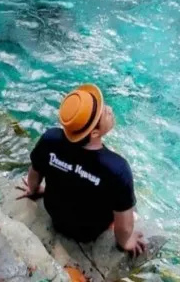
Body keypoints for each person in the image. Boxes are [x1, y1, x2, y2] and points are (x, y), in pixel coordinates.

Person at [16, 84, 147, 256]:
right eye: (104, 112)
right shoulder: (117, 168)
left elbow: (35, 172)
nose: (109, 109)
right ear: (94, 133)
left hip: (56, 216)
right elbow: (124, 226)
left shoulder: (50, 139)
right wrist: (125, 241)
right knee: (130, 208)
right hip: (89, 231)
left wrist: (33, 190)